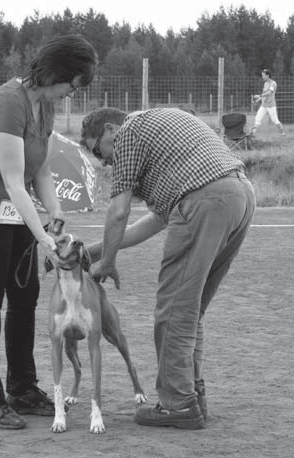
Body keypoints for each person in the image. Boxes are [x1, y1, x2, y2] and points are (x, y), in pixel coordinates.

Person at [0, 34, 97, 430]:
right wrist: (46, 239)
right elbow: (15, 181)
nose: (71, 93)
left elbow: (41, 170)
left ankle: (23, 389)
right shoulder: (6, 103)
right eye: (73, 84)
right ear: (55, 74)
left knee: (25, 294)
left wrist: (56, 211)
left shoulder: (44, 106)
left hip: (15, 209)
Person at [81, 107, 256, 430]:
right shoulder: (161, 132)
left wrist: (106, 263)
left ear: (109, 130)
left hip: (204, 201)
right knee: (190, 309)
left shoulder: (128, 134)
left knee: (173, 310)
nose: (103, 161)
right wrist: (92, 252)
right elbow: (154, 222)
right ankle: (192, 393)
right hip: (239, 195)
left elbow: (118, 212)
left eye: (97, 151)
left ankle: (177, 403)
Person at [251, 69, 285, 136]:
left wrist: (259, 95)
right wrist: (257, 100)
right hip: (263, 105)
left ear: (268, 75)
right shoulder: (265, 83)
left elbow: (269, 92)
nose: (262, 77)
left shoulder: (273, 83)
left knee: (275, 120)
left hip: (271, 105)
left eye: (263, 75)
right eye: (262, 75)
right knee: (258, 118)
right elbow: (264, 94)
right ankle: (253, 133)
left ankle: (282, 133)